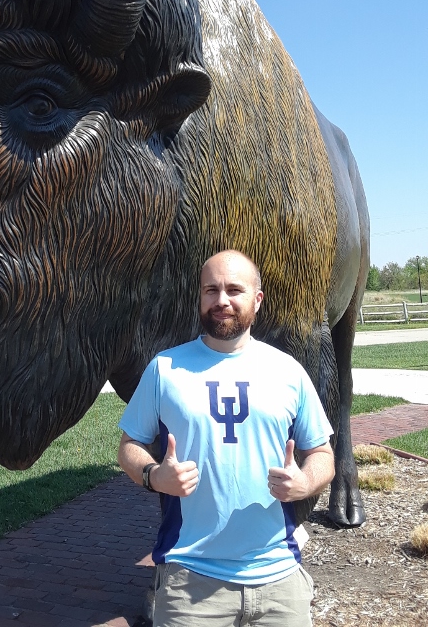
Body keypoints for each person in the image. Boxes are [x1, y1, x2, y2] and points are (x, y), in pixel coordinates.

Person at [118, 250, 334, 627]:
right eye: (210, 290)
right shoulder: (165, 369)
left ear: (257, 299)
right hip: (189, 584)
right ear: (199, 298)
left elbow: (322, 453)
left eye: (235, 290)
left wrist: (304, 482)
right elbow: (129, 446)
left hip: (279, 581)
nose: (222, 301)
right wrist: (154, 476)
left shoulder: (287, 371)